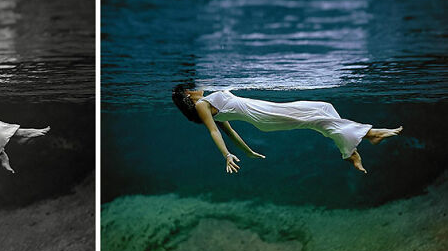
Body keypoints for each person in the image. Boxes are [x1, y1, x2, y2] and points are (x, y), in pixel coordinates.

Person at [171, 84, 402, 174]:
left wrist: (248, 151)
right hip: (263, 116)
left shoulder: (208, 103)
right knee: (315, 118)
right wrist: (227, 154)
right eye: (193, 88)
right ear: (188, 96)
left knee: (323, 107)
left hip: (264, 111)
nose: (198, 86)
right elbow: (216, 132)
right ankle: (370, 135)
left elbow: (230, 132)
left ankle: (351, 149)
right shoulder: (202, 105)